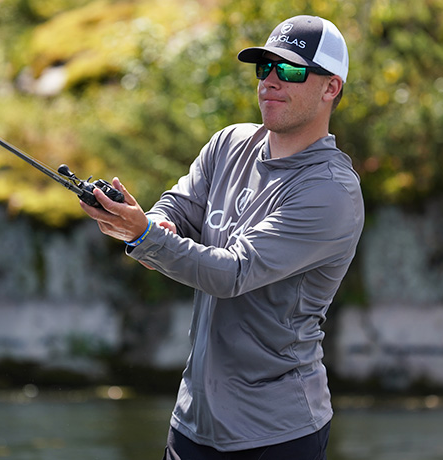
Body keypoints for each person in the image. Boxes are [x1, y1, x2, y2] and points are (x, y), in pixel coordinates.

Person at [81, 15, 364, 460]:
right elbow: (176, 208)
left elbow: (232, 273)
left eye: (289, 70)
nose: (270, 81)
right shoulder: (229, 144)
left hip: (277, 434)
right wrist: (150, 223)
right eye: (263, 68)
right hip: (193, 422)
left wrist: (144, 234)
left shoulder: (331, 192)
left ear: (331, 88)